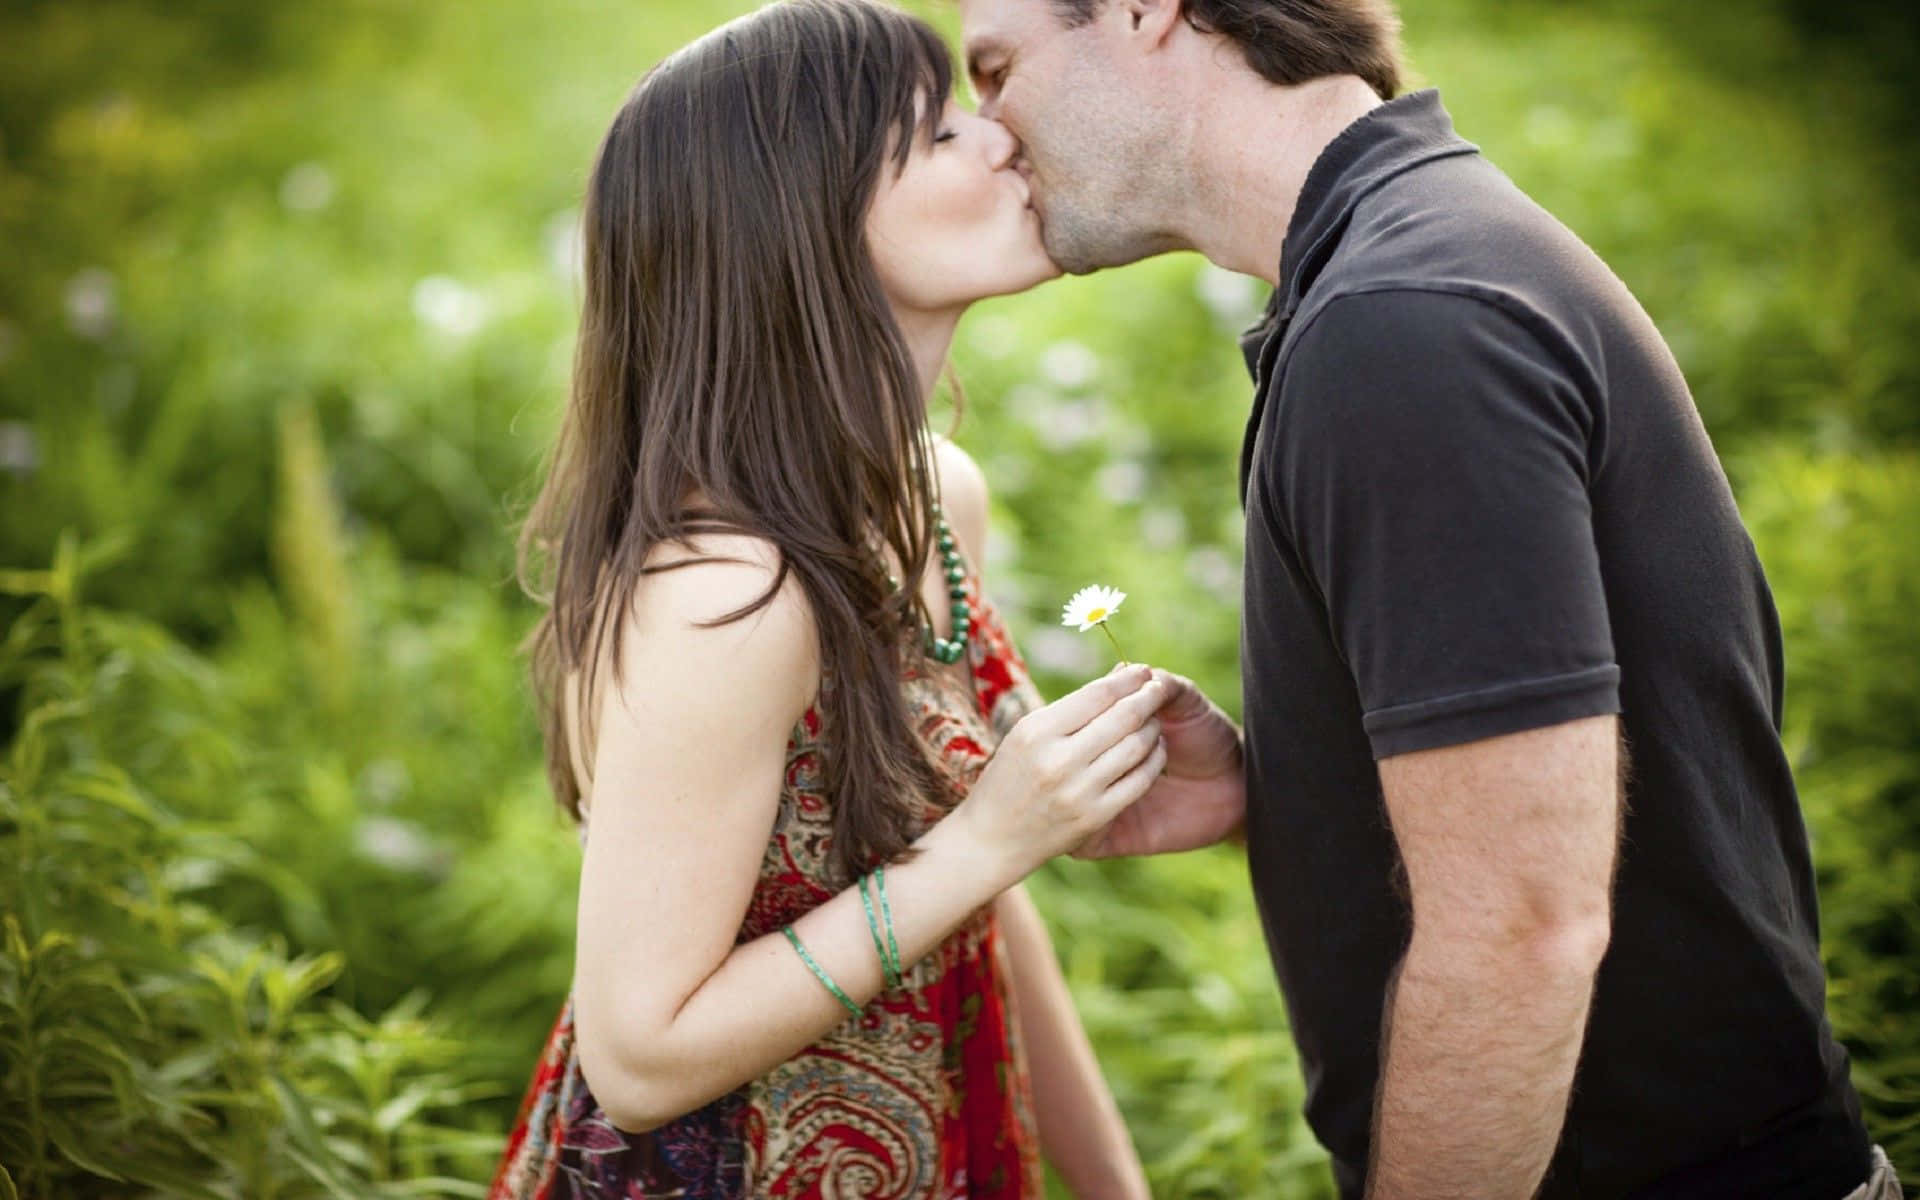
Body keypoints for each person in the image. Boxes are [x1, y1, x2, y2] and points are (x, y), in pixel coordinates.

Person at [955, 0, 1904, 1196]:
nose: (987, 131)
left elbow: (1523, 930)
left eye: (995, 70)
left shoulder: (1402, 325)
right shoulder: (1412, 266)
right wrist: (1286, 796)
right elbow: (1574, 809)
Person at [487, 1, 1248, 1195]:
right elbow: (637, 1058)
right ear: (802, 227)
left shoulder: (936, 497)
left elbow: (979, 881)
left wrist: (1111, 1184)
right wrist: (989, 837)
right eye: (940, 134)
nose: (1001, 135)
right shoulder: (729, 594)